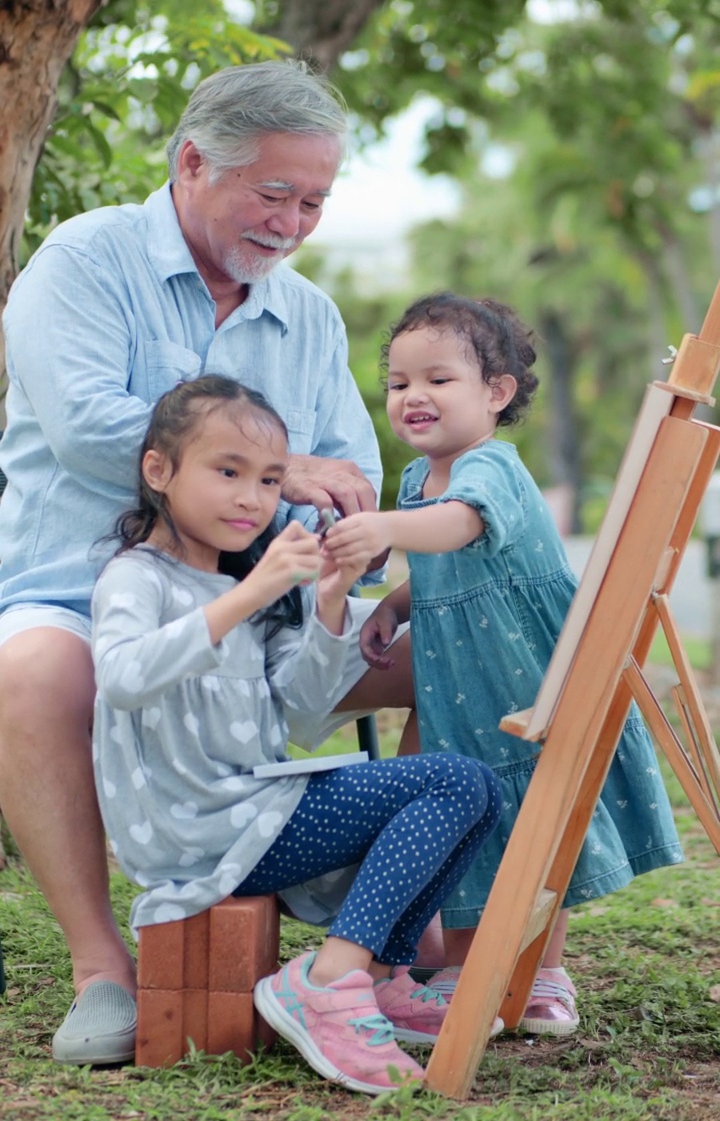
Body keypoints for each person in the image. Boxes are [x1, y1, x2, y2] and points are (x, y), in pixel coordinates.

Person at [0, 59, 414, 1066]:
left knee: (445, 645)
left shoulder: (305, 310)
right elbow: (95, 428)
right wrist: (285, 474)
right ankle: (103, 966)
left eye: (314, 201)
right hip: (78, 589)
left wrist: (329, 513)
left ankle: (403, 955)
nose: (293, 222)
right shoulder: (88, 257)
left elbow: (351, 466)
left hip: (267, 604)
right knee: (32, 668)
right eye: (275, 193)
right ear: (193, 162)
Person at [91, 375, 502, 1094]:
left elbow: (305, 717)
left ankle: (374, 978)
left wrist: (331, 597)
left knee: (477, 790)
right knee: (455, 781)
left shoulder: (250, 589)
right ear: (159, 471)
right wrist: (253, 592)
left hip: (254, 814)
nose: (253, 498)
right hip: (201, 834)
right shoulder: (137, 579)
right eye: (228, 472)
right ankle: (328, 981)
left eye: (270, 480)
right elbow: (123, 676)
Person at [324, 292, 684, 1036]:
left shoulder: (494, 468)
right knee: (467, 828)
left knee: (534, 827)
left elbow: (459, 528)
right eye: (398, 384)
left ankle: (543, 974)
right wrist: (395, 604)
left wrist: (386, 528)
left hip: (529, 681)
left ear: (496, 393)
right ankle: (461, 968)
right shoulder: (415, 482)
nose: (413, 396)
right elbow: (434, 565)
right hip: (459, 693)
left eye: (437, 379)